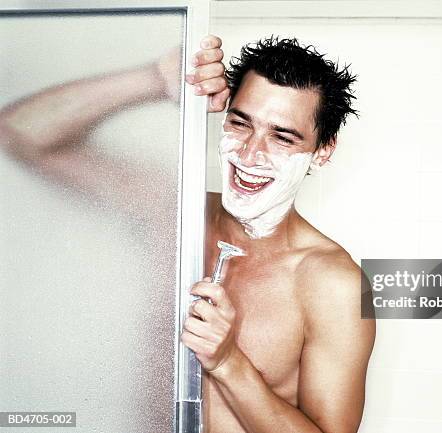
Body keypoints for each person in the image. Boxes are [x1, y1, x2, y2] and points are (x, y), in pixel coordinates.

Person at [0, 34, 375, 433]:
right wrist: (157, 79)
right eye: (240, 123)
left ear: (322, 150)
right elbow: (20, 134)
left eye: (282, 137)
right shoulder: (175, 210)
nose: (249, 155)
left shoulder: (334, 283)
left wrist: (229, 362)